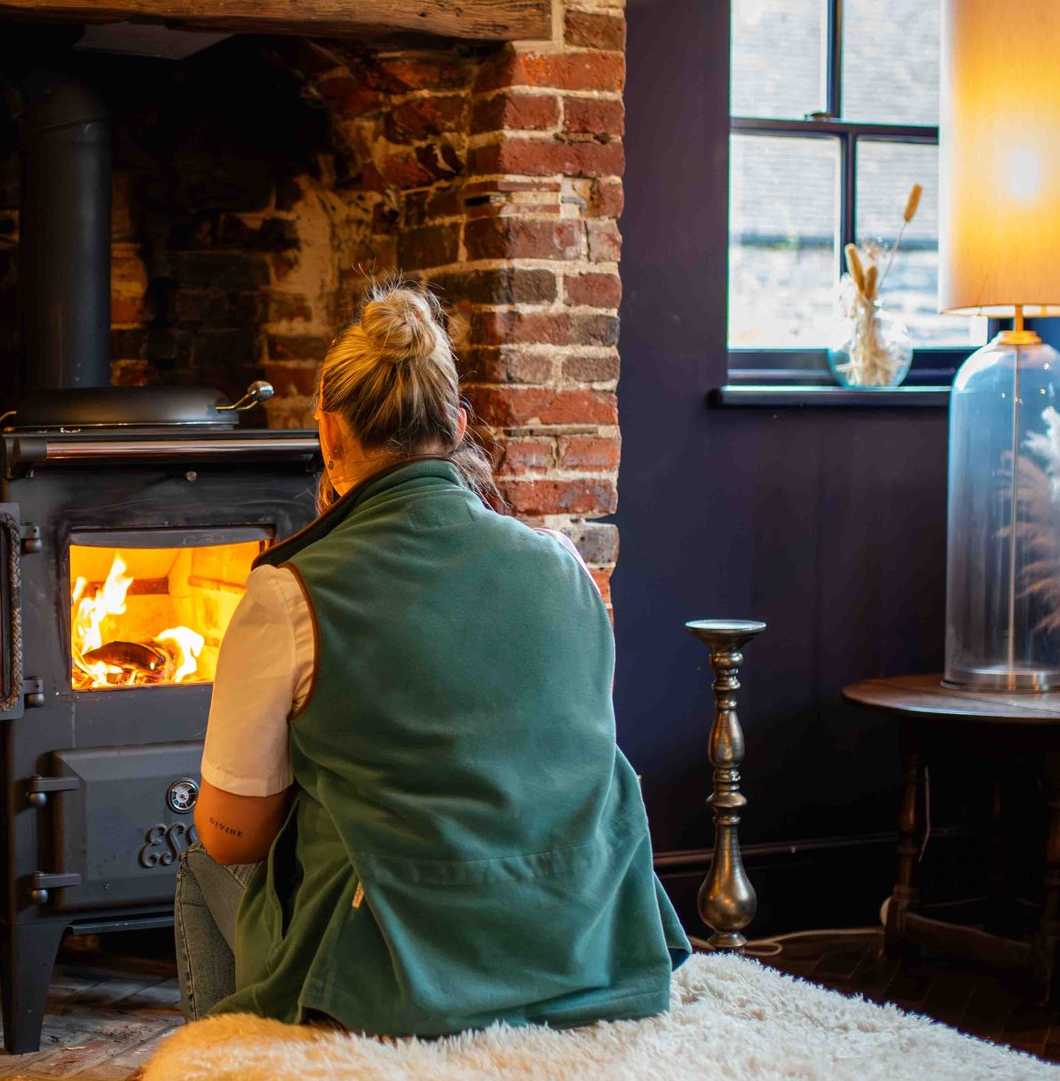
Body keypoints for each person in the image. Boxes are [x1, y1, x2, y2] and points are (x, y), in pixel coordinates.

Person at [173, 285, 687, 1036]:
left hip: (398, 975)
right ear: (456, 425)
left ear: (329, 435)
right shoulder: (565, 566)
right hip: (583, 947)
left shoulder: (290, 592)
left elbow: (232, 836)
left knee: (201, 864)